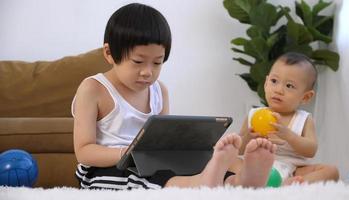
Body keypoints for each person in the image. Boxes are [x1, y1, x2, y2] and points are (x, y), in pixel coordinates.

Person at [72, 3, 276, 190]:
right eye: (138, 61)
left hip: (152, 162)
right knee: (142, 178)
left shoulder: (160, 91)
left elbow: (164, 141)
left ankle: (237, 181)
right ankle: (199, 184)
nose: (147, 72)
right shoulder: (93, 89)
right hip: (106, 169)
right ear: (109, 53)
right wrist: (127, 154)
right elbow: (84, 151)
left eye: (157, 62)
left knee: (188, 164)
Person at [230, 52, 339, 185]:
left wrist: (289, 136)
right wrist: (249, 136)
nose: (279, 90)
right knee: (230, 160)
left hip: (292, 170)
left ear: (305, 97)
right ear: (266, 83)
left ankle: (289, 184)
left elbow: (311, 150)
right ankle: (247, 180)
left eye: (289, 86)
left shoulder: (303, 119)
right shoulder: (254, 115)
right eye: (274, 81)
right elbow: (239, 149)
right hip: (255, 167)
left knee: (331, 171)